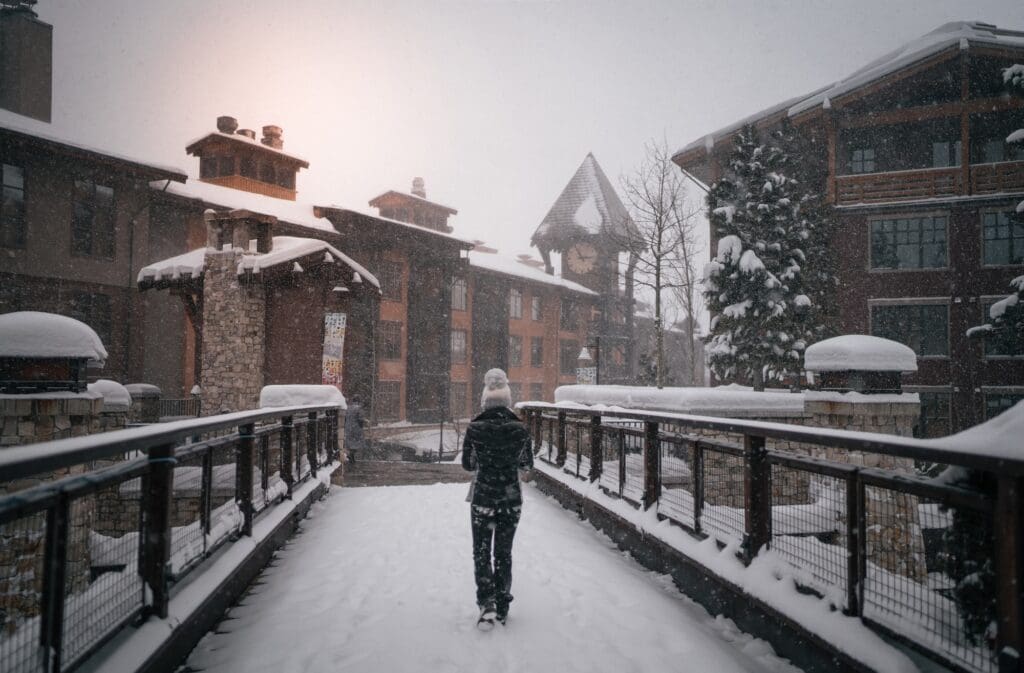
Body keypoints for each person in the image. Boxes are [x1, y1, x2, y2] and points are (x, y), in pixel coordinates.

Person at [461, 368, 533, 629]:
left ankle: (486, 602)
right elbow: (526, 464)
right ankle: (502, 604)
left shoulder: (475, 428)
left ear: (485, 400)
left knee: (481, 552)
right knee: (504, 553)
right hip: (511, 500)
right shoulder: (520, 429)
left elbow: (468, 465)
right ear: (507, 400)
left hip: (483, 498)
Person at [344, 394, 366, 464]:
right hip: (356, 428)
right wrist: (361, 426)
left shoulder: (348, 408)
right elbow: (360, 419)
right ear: (359, 401)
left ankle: (351, 456)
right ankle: (351, 455)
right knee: (358, 443)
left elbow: (345, 417)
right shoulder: (359, 408)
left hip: (348, 428)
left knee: (350, 443)